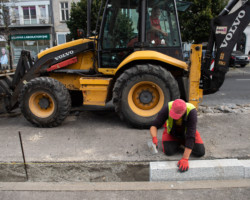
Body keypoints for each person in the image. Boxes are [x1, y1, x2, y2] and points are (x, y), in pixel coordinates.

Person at [150, 99, 205, 172]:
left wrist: (185, 158)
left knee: (200, 152)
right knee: (168, 151)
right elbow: (154, 125)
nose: (174, 117)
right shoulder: (167, 107)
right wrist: (154, 137)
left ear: (184, 111)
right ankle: (182, 143)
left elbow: (191, 136)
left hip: (187, 134)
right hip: (173, 133)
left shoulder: (192, 112)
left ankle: (183, 143)